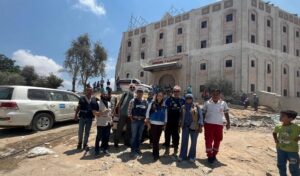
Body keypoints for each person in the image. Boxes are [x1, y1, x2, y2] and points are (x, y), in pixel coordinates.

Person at [202, 89, 230, 164]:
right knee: (208, 140)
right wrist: (201, 123)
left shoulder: (223, 103)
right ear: (211, 95)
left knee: (218, 140)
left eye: (217, 94)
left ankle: (214, 154)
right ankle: (209, 155)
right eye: (214, 94)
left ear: (219, 95)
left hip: (219, 125)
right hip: (208, 125)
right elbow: (203, 113)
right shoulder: (207, 103)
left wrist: (228, 123)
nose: (215, 96)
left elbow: (226, 113)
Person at [273, 110, 300, 176]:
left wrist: (299, 138)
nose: (280, 117)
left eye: (283, 116)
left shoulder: (297, 127)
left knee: (294, 166)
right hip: (280, 150)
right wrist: (276, 139)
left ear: (290, 118)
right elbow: (274, 133)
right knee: (281, 164)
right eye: (280, 115)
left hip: (292, 151)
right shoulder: (278, 126)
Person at [178, 94, 203, 163]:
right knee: (184, 142)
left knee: (193, 143)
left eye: (190, 98)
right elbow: (180, 116)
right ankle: (182, 156)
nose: (188, 99)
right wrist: (179, 124)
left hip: (194, 127)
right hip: (185, 127)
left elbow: (200, 116)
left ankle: (192, 156)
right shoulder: (183, 107)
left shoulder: (197, 106)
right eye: (187, 98)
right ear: (185, 99)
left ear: (192, 99)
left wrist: (200, 126)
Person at [145, 91, 167, 161]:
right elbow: (147, 113)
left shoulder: (164, 105)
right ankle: (156, 154)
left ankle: (155, 152)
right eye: (158, 96)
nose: (159, 97)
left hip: (160, 124)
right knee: (155, 140)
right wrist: (148, 123)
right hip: (153, 124)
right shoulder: (152, 103)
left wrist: (165, 123)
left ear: (162, 97)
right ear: (156, 96)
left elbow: (166, 115)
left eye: (161, 96)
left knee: (157, 139)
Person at [74, 86, 98, 151]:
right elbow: (78, 107)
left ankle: (85, 144)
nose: (90, 92)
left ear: (92, 91)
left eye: (91, 91)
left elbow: (97, 107)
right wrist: (76, 115)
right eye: (88, 90)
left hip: (89, 118)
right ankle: (79, 143)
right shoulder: (82, 98)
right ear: (86, 91)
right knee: (80, 131)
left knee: (87, 132)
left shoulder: (94, 99)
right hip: (82, 117)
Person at [164, 85, 185, 156]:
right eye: (175, 91)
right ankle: (167, 149)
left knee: (176, 135)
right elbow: (164, 108)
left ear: (180, 92)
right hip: (169, 121)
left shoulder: (182, 100)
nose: (176, 92)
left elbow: (186, 109)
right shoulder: (168, 99)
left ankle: (175, 149)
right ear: (173, 91)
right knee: (167, 135)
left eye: (178, 91)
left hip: (177, 121)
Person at [128, 87, 148, 158]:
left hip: (142, 121)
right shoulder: (132, 101)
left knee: (139, 137)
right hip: (135, 121)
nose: (140, 93)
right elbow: (129, 111)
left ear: (143, 93)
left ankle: (138, 149)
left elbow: (146, 111)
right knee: (134, 136)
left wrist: (145, 119)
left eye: (141, 92)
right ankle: (133, 151)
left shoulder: (145, 101)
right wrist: (131, 119)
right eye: (138, 92)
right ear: (136, 93)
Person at [93, 90, 112, 157]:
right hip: (100, 123)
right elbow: (95, 113)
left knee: (106, 137)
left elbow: (110, 113)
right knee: (99, 137)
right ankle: (96, 151)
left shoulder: (109, 103)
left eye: (106, 94)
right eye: (104, 94)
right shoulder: (97, 103)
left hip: (108, 122)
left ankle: (105, 149)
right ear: (101, 95)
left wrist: (111, 121)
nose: (105, 95)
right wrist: (103, 112)